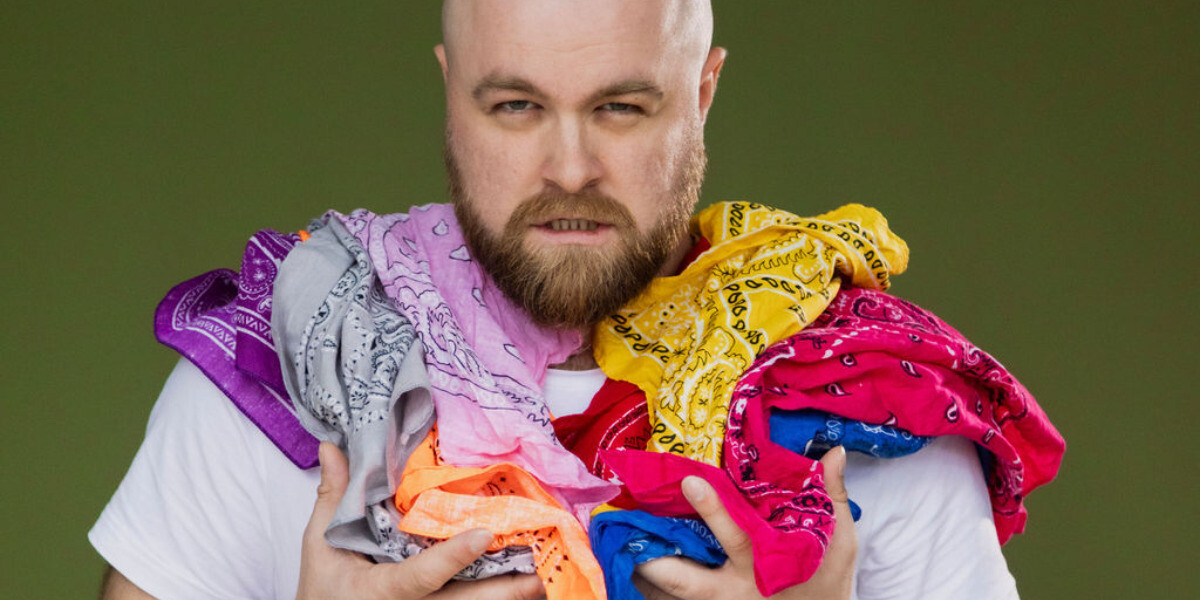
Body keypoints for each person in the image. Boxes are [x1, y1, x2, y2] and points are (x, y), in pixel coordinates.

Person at [91, 2, 1062, 599]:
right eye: (514, 106)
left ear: (704, 92)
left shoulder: (862, 413)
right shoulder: (286, 380)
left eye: (620, 108)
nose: (568, 168)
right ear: (449, 90)